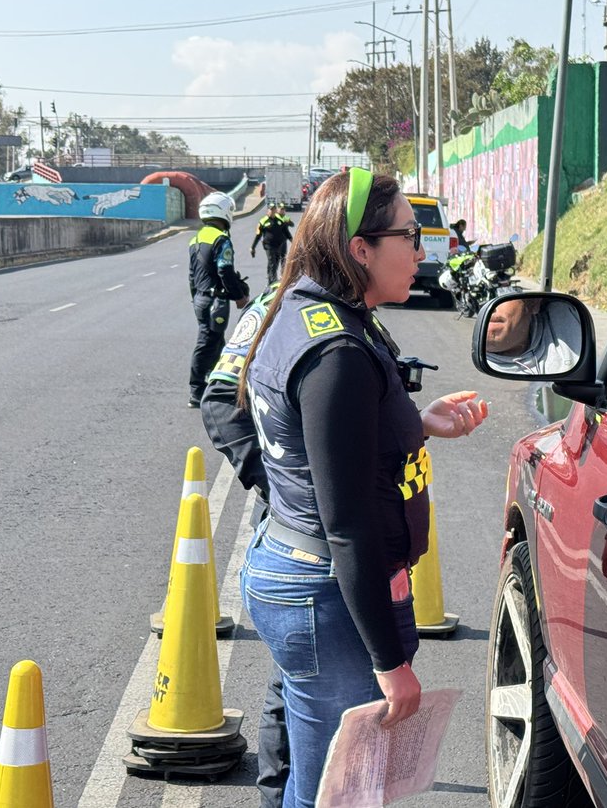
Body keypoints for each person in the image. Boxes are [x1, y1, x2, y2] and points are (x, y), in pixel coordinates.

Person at [238, 168, 489, 807]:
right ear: (360, 249)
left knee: (322, 781)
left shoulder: (315, 310)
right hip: (324, 591)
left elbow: (322, 440)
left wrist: (415, 424)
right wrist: (390, 664)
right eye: (410, 234)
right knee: (340, 793)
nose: (424, 251)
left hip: (305, 577)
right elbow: (345, 521)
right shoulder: (337, 351)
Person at [199, 283, 288, 808]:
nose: (416, 253)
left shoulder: (360, 306)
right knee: (297, 681)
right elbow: (219, 399)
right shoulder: (281, 299)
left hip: (362, 532)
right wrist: (277, 485)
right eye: (404, 237)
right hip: (300, 532)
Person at [188, 191, 249, 409]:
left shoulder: (196, 238)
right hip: (215, 301)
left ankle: (219, 385)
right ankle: (196, 390)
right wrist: (240, 296)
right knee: (207, 344)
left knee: (216, 343)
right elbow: (225, 270)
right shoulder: (220, 239)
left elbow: (192, 275)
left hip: (201, 299)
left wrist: (195, 298)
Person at [485, 296, 581, 375]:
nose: (489, 307)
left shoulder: (565, 315)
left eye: (501, 296)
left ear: (533, 304)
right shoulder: (478, 372)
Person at [251, 202, 295, 285]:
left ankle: (273, 276)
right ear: (268, 211)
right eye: (270, 210)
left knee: (277, 261)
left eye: (273, 210)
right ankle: (272, 282)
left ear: (275, 211)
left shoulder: (280, 221)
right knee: (272, 263)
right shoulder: (263, 221)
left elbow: (287, 232)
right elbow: (258, 235)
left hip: (279, 245)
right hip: (268, 245)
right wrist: (253, 247)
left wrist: (293, 241)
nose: (271, 211)